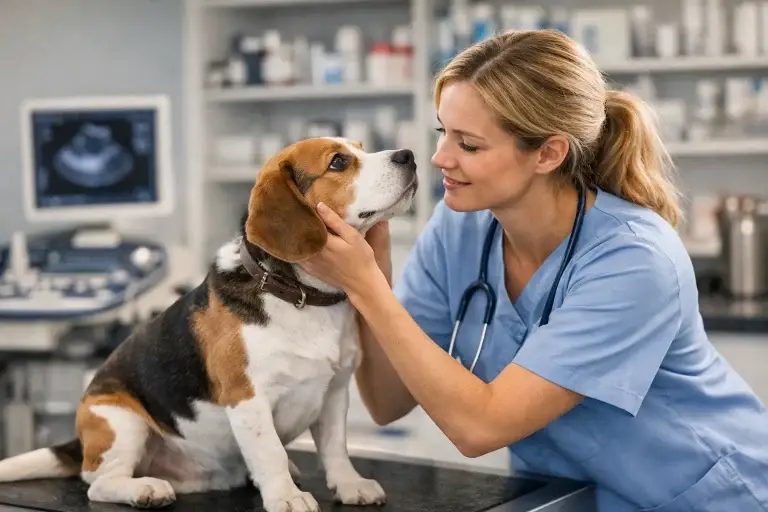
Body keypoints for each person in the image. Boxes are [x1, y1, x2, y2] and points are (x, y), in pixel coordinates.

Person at [299, 29, 768, 511]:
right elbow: (386, 400)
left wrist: (368, 287)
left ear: (548, 153)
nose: (440, 159)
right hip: (568, 498)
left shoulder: (635, 260)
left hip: (710, 498)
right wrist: (371, 267)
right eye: (444, 133)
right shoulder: (460, 231)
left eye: (470, 145)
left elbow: (479, 427)